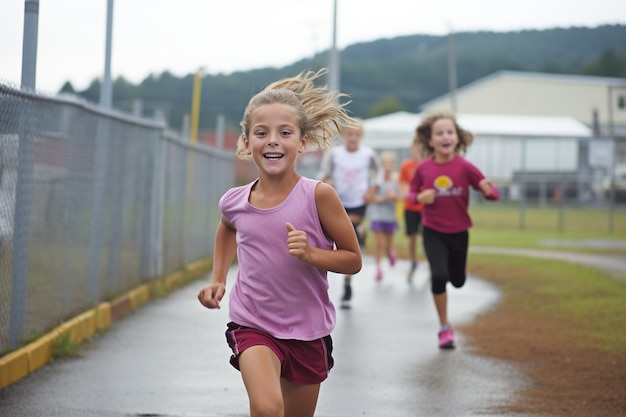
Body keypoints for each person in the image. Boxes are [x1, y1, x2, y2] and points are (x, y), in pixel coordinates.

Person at [197, 69, 362, 417]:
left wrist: (313, 254)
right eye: (261, 133)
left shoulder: (319, 196)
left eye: (284, 133)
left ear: (301, 143)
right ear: (246, 143)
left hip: (307, 329)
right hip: (252, 322)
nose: (272, 140)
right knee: (268, 408)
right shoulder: (234, 201)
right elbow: (227, 228)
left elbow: (353, 260)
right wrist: (218, 278)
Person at [408, 110, 499, 349]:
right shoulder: (423, 168)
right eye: (439, 133)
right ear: (430, 140)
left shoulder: (465, 167)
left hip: (459, 232)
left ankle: (455, 280)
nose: (445, 136)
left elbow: (492, 192)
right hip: (432, 230)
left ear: (456, 138)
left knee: (457, 281)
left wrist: (489, 192)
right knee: (439, 276)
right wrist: (420, 196)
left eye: (449, 132)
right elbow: (410, 194)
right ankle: (445, 328)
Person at [318, 118, 382, 308]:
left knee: (349, 236)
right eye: (349, 134)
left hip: (358, 202)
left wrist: (372, 190)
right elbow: (323, 173)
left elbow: (378, 174)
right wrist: (327, 182)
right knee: (333, 239)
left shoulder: (368, 154)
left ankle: (347, 283)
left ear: (361, 136)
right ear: (343, 136)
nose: (353, 138)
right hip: (337, 201)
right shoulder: (334, 154)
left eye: (356, 134)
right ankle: (325, 282)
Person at [368, 151, 400, 281]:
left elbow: (400, 197)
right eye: (384, 163)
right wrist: (384, 199)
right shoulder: (377, 181)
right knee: (379, 244)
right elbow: (370, 198)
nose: (387, 166)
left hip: (390, 217)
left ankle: (391, 253)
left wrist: (394, 196)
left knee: (388, 245)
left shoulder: (396, 180)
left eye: (390, 163)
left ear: (393, 165)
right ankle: (378, 268)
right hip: (377, 216)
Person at [398, 138, 424, 283]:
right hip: (411, 207)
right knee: (413, 236)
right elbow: (402, 184)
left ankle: (430, 261)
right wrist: (404, 193)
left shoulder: (427, 164)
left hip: (426, 208)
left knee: (427, 236)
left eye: (421, 148)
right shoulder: (407, 165)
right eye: (416, 148)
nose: (418, 151)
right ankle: (413, 261)